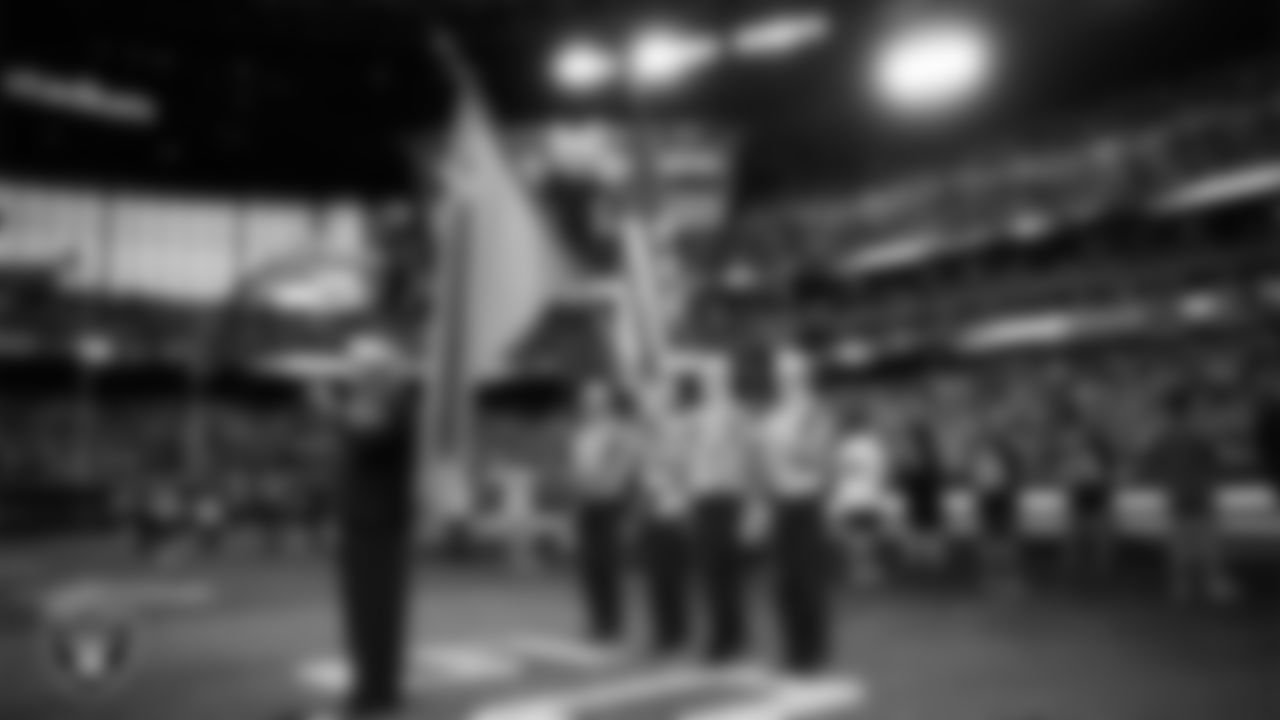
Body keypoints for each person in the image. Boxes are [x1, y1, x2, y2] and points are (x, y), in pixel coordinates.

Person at [317, 335, 418, 717]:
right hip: (361, 519)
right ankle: (376, 684)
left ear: (378, 370)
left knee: (377, 611)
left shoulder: (395, 403)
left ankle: (377, 688)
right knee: (363, 611)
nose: (352, 373)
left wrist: (332, 410)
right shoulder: (372, 404)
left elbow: (370, 439)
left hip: (380, 522)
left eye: (358, 366)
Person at [757, 348, 839, 674]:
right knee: (785, 584)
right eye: (780, 372)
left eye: (791, 372)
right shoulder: (773, 415)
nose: (784, 378)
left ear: (803, 375)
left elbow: (820, 460)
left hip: (806, 501)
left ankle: (813, 651)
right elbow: (765, 463)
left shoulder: (815, 412)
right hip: (780, 503)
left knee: (808, 582)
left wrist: (793, 443)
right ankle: (794, 649)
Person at [684, 356, 757, 665]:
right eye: (707, 377)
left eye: (718, 376)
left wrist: (752, 506)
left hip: (729, 497)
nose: (712, 381)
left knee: (729, 572)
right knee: (711, 573)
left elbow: (749, 458)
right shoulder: (696, 416)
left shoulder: (739, 414)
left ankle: (732, 637)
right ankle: (722, 636)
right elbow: (692, 458)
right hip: (704, 498)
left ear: (727, 379)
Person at [1148, 387, 1235, 605]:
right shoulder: (1199, 434)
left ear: (1168, 410)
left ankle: (1182, 584)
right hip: (1200, 493)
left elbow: (1153, 463)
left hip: (1177, 493)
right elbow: (1215, 462)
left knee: (1180, 542)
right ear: (1188, 409)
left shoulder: (1163, 436)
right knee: (1207, 540)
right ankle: (1214, 583)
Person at [568, 380, 638, 646]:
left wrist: (614, 488)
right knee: (589, 564)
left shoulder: (617, 431)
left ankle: (612, 623)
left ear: (606, 402)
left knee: (607, 562)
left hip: (608, 502)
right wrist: (578, 486)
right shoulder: (583, 433)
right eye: (588, 399)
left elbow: (625, 465)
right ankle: (597, 620)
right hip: (586, 502)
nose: (591, 404)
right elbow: (577, 467)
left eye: (596, 399)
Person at [635, 374, 697, 657]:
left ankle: (675, 632)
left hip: (675, 506)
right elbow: (647, 467)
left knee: (671, 574)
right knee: (657, 574)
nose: (663, 399)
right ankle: (665, 631)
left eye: (669, 394)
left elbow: (682, 465)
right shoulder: (656, 430)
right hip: (655, 505)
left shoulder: (686, 426)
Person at [831, 407, 891, 591]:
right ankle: (868, 571)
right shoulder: (874, 445)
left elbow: (835, 471)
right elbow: (882, 471)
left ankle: (858, 572)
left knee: (854, 537)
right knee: (867, 536)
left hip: (847, 497)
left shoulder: (842, 446)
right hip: (870, 496)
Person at [967, 429, 1022, 596]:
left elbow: (1013, 475)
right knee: (990, 539)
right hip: (987, 498)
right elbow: (975, 478)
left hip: (1002, 497)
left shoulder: (1005, 455)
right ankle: (991, 579)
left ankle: (1006, 579)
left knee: (1004, 539)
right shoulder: (980, 456)